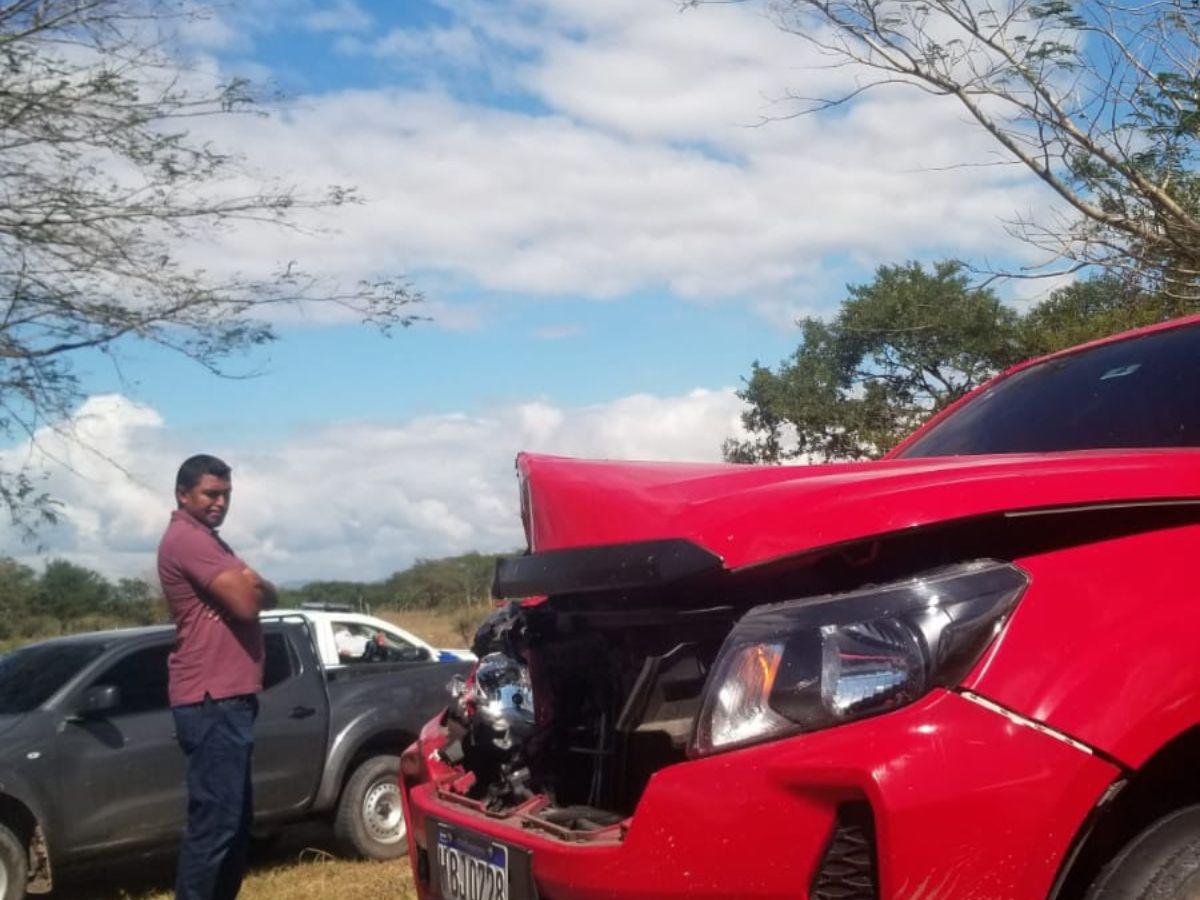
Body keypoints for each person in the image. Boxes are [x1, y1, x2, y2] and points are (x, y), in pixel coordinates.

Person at [157, 454, 277, 900]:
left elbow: (269, 591)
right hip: (211, 700)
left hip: (229, 699)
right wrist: (251, 586)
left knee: (234, 822)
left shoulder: (211, 542)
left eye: (226, 494)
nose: (220, 502)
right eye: (211, 493)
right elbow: (248, 603)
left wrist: (255, 585)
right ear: (183, 494)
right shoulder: (189, 540)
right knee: (215, 826)